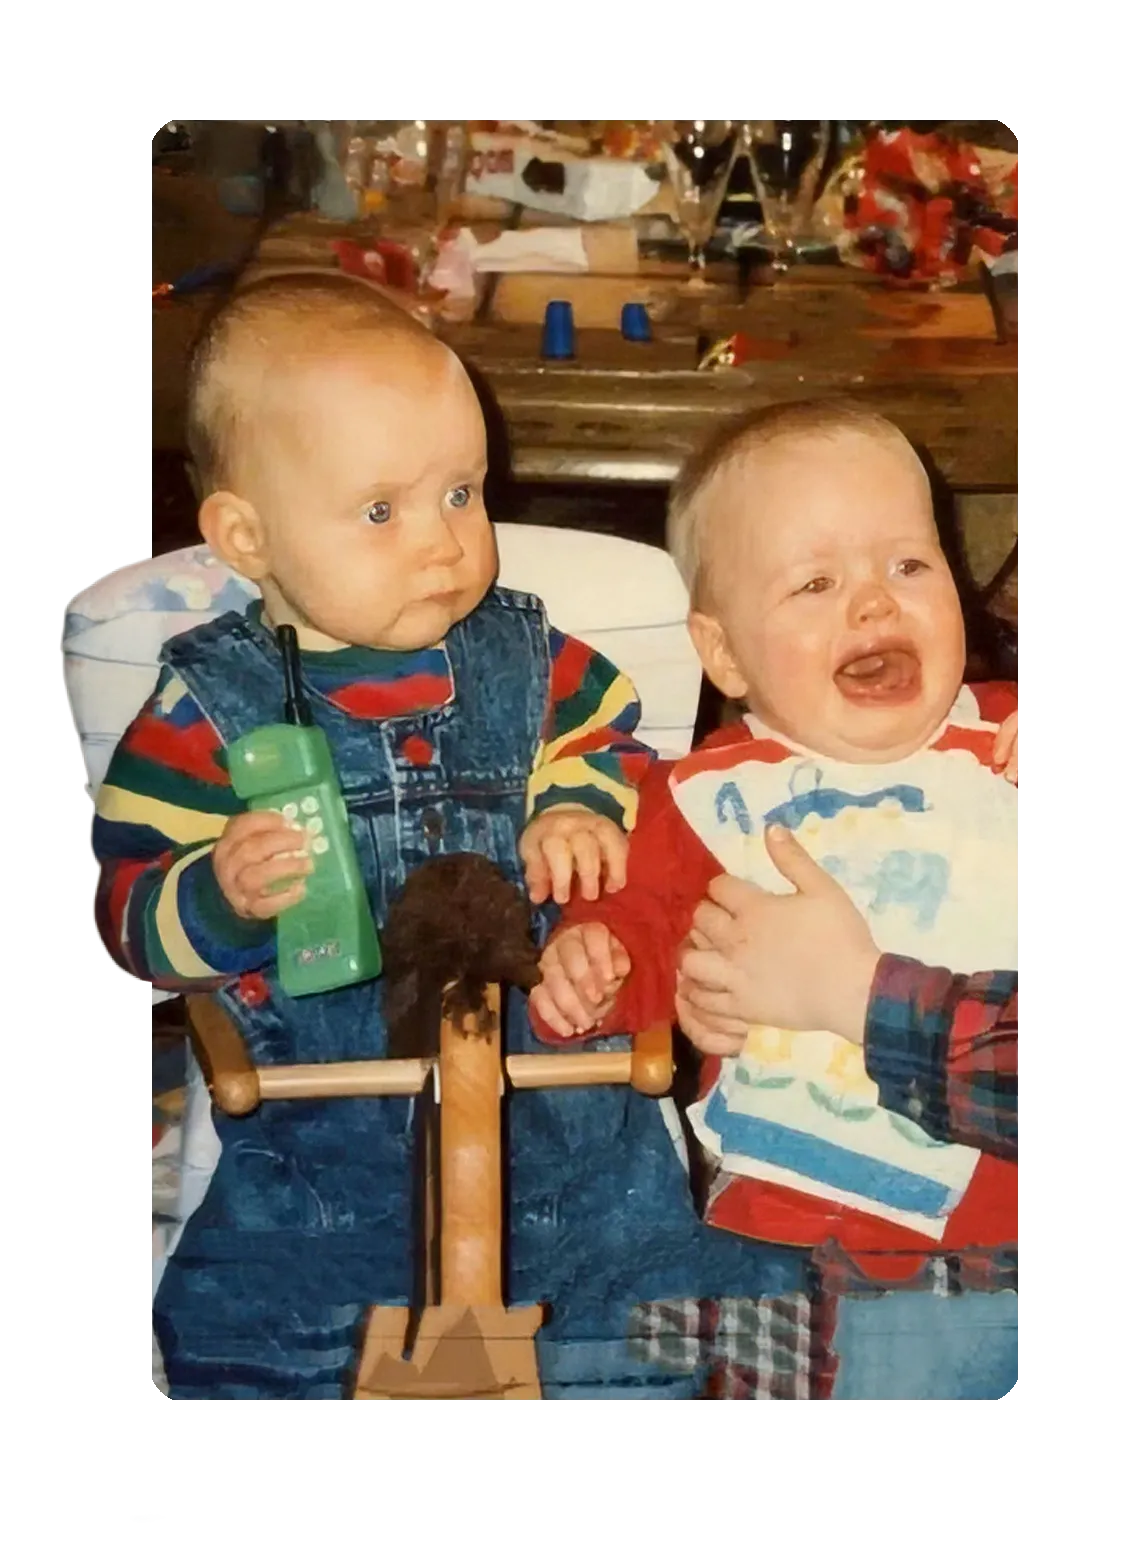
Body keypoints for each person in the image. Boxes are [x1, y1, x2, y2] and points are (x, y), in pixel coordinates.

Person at [99, 273, 805, 1399]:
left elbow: (623, 751)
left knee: (663, 1333)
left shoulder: (530, 661)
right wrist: (217, 898)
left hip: (563, 1121)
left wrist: (580, 807)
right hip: (316, 1152)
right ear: (247, 535)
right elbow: (124, 916)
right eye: (381, 511)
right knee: (254, 1350)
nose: (442, 543)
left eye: (461, 494)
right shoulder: (204, 713)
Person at [530, 400, 1021, 1397]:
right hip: (779, 1233)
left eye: (908, 565)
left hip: (1004, 1228)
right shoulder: (702, 797)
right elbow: (645, 942)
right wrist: (602, 968)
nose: (874, 605)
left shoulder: (1012, 743)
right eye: (813, 583)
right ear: (722, 655)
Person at [676, 826, 1022, 1162]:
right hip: (756, 1170)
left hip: (970, 1190)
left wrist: (849, 990)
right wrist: (684, 973)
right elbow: (654, 935)